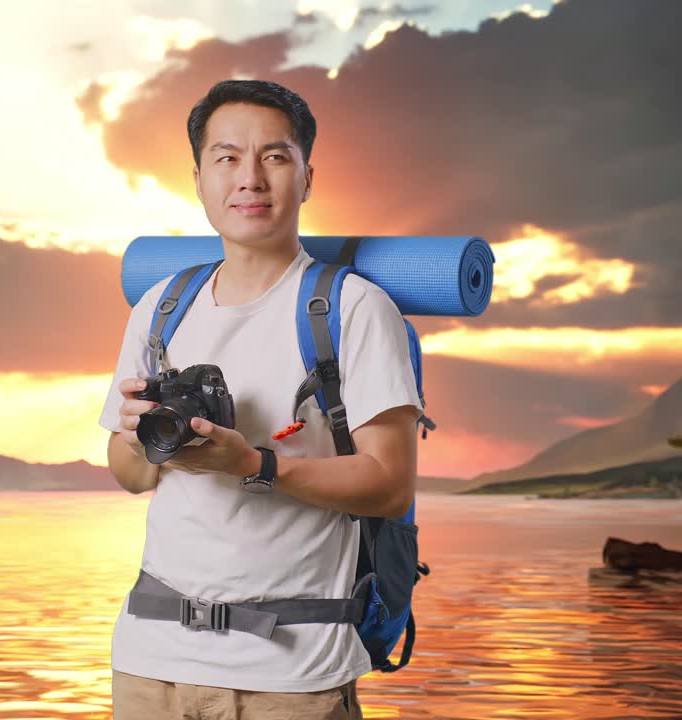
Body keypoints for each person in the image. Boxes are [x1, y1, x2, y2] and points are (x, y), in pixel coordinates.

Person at [97, 78, 423, 720]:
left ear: (307, 177)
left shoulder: (353, 309)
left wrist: (252, 465)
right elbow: (131, 475)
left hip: (290, 675)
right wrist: (143, 438)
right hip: (148, 661)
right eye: (227, 158)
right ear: (198, 179)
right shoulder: (161, 308)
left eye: (274, 156)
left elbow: (389, 485)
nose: (250, 178)